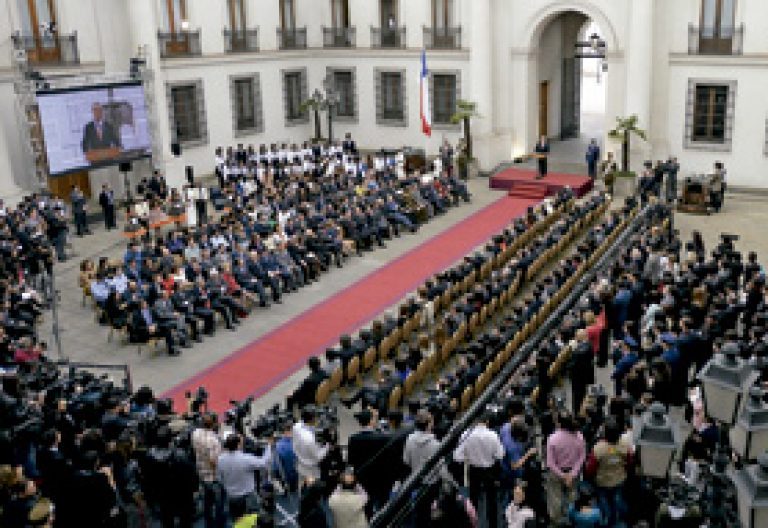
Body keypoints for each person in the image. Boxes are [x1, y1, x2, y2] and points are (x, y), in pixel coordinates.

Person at [453, 412, 504, 528]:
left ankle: (473, 523)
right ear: (487, 422)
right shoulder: (493, 435)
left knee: (473, 499)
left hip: (474, 471)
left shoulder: (466, 434)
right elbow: (500, 455)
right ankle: (493, 524)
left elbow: (457, 457)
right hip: (489, 471)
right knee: (492, 501)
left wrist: (469, 457)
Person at [216, 433, 272, 520]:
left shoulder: (220, 459)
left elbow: (219, 478)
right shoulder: (246, 458)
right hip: (248, 497)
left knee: (238, 522)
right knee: (254, 520)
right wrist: (268, 447)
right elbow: (263, 463)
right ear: (238, 445)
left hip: (232, 498)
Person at [589, 418, 631, 526]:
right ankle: (616, 518)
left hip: (602, 482)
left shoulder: (598, 448)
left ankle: (607, 518)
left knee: (603, 500)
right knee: (616, 498)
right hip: (619, 479)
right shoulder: (625, 445)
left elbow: (591, 468)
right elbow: (630, 462)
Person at [545, 412, 586, 523]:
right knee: (572, 497)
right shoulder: (579, 436)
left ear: (558, 423)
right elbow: (582, 457)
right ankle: (571, 519)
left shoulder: (552, 438)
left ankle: (557, 521)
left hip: (556, 473)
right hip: (574, 473)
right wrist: (572, 474)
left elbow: (550, 462)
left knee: (555, 498)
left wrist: (563, 476)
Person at [191, 413, 226, 528]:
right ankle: (219, 524)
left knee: (207, 501)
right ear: (215, 424)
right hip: (213, 477)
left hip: (201, 472)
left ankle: (208, 523)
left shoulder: (195, 433)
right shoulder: (213, 440)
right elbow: (213, 461)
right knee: (219, 503)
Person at [292, 408, 329, 482]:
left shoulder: (296, 426)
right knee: (313, 486)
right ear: (312, 419)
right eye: (316, 417)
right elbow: (318, 456)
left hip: (300, 462)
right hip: (311, 467)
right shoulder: (309, 439)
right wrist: (327, 447)